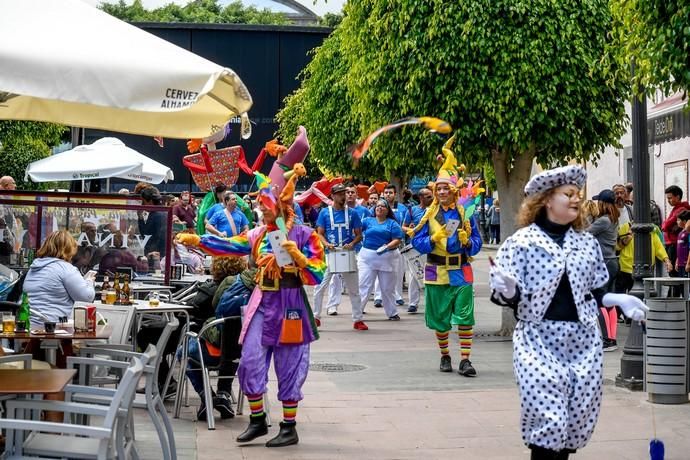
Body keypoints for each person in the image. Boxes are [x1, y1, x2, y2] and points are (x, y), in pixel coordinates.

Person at [489, 165, 650, 459]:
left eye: (578, 194)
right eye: (569, 194)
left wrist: (618, 299)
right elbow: (506, 295)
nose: (577, 199)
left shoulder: (586, 243)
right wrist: (510, 290)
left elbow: (597, 291)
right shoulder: (521, 243)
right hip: (538, 341)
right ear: (547, 200)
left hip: (583, 341)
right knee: (547, 418)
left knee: (576, 418)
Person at [177, 170, 326, 448]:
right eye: (260, 204)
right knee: (250, 360)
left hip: (291, 305)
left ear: (282, 206)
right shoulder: (257, 234)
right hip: (262, 302)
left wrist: (299, 259)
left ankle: (289, 426)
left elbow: (318, 274)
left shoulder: (306, 235)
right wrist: (198, 241)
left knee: (290, 365)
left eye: (265, 205)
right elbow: (229, 245)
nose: (261, 209)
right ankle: (257, 420)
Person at [409, 137, 482, 376]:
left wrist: (467, 241)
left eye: (445, 188)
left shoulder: (466, 213)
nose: (441, 192)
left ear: (453, 191)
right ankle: (444, 355)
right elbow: (415, 242)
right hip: (435, 270)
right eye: (437, 188)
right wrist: (432, 239)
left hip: (461, 270)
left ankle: (465, 360)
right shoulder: (426, 214)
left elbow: (478, 243)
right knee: (439, 318)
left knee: (465, 316)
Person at [312, 183, 367, 330]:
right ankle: (316, 317)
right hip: (330, 255)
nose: (343, 196)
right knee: (320, 286)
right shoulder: (324, 213)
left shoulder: (353, 213)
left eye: (345, 193)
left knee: (354, 288)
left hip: (348, 253)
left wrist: (352, 243)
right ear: (333, 196)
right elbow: (320, 233)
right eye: (340, 193)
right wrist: (326, 244)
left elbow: (359, 235)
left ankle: (358, 319)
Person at [23, 230, 96, 327]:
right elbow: (86, 298)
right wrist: (89, 281)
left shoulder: (34, 267)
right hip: (53, 327)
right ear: (69, 249)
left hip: (28, 325)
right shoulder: (66, 268)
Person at [358, 199, 404, 320]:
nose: (379, 208)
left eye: (383, 206)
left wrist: (387, 247)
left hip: (387, 258)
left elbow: (397, 239)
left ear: (387, 210)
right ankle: (357, 310)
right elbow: (356, 232)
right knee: (364, 285)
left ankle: (392, 312)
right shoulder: (367, 221)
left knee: (387, 288)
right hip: (367, 257)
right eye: (377, 206)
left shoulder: (392, 223)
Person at [586, 189, 620, 351]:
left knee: (598, 301)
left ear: (603, 203)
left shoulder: (602, 221)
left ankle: (607, 340)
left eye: (599, 201)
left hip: (603, 264)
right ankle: (612, 339)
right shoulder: (613, 219)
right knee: (609, 303)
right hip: (612, 262)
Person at [402, 186, 433, 313]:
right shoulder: (412, 210)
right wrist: (410, 230)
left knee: (431, 274)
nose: (432, 198)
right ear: (421, 198)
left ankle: (431, 303)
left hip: (431, 246)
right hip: (415, 247)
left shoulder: (436, 210)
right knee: (415, 274)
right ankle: (413, 303)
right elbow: (403, 226)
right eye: (428, 196)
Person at [661, 185, 690, 282]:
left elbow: (665, 226)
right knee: (674, 272)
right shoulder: (676, 209)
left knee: (675, 273)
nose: (668, 201)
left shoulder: (681, 209)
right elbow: (665, 225)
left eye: (670, 198)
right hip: (673, 243)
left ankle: (676, 295)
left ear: (677, 197)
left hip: (674, 243)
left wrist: (667, 225)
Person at [138, 186, 168, 263]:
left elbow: (145, 235)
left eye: (143, 202)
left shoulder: (155, 215)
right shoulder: (164, 211)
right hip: (161, 255)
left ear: (150, 201)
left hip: (154, 255)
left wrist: (140, 218)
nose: (142, 205)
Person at [675, 210, 690, 278]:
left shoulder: (688, 234)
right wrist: (677, 261)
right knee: (681, 285)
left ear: (684, 221)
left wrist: (688, 263)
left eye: (678, 220)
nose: (677, 222)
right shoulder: (680, 233)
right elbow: (679, 250)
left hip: (686, 264)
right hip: (680, 264)